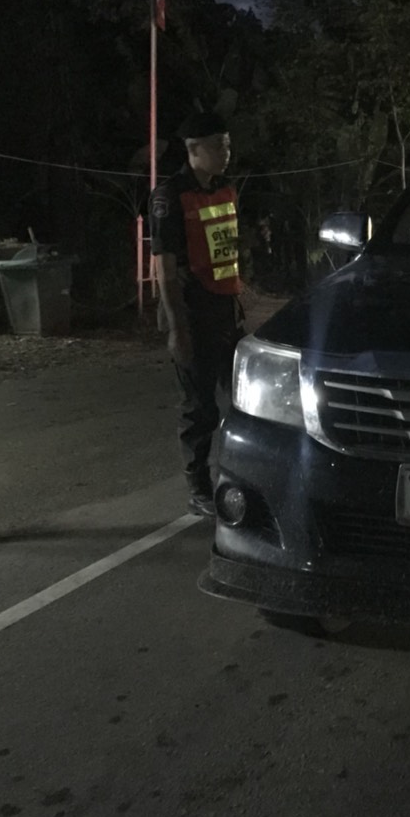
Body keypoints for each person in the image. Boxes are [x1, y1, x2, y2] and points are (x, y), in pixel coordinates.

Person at [150, 111, 246, 518]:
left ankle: (241, 477)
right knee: (200, 407)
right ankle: (199, 487)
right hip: (192, 311)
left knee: (245, 401)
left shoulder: (225, 188)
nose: (226, 152)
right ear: (193, 149)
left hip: (226, 309)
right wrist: (178, 328)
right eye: (218, 145)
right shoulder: (170, 196)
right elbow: (165, 268)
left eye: (227, 144)